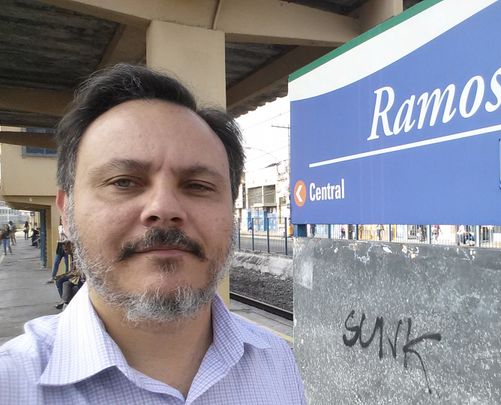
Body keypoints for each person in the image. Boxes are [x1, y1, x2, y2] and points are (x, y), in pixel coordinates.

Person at [0, 64, 304, 403]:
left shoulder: (278, 361)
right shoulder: (13, 384)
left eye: (198, 186)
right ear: (66, 212)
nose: (164, 207)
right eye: (124, 182)